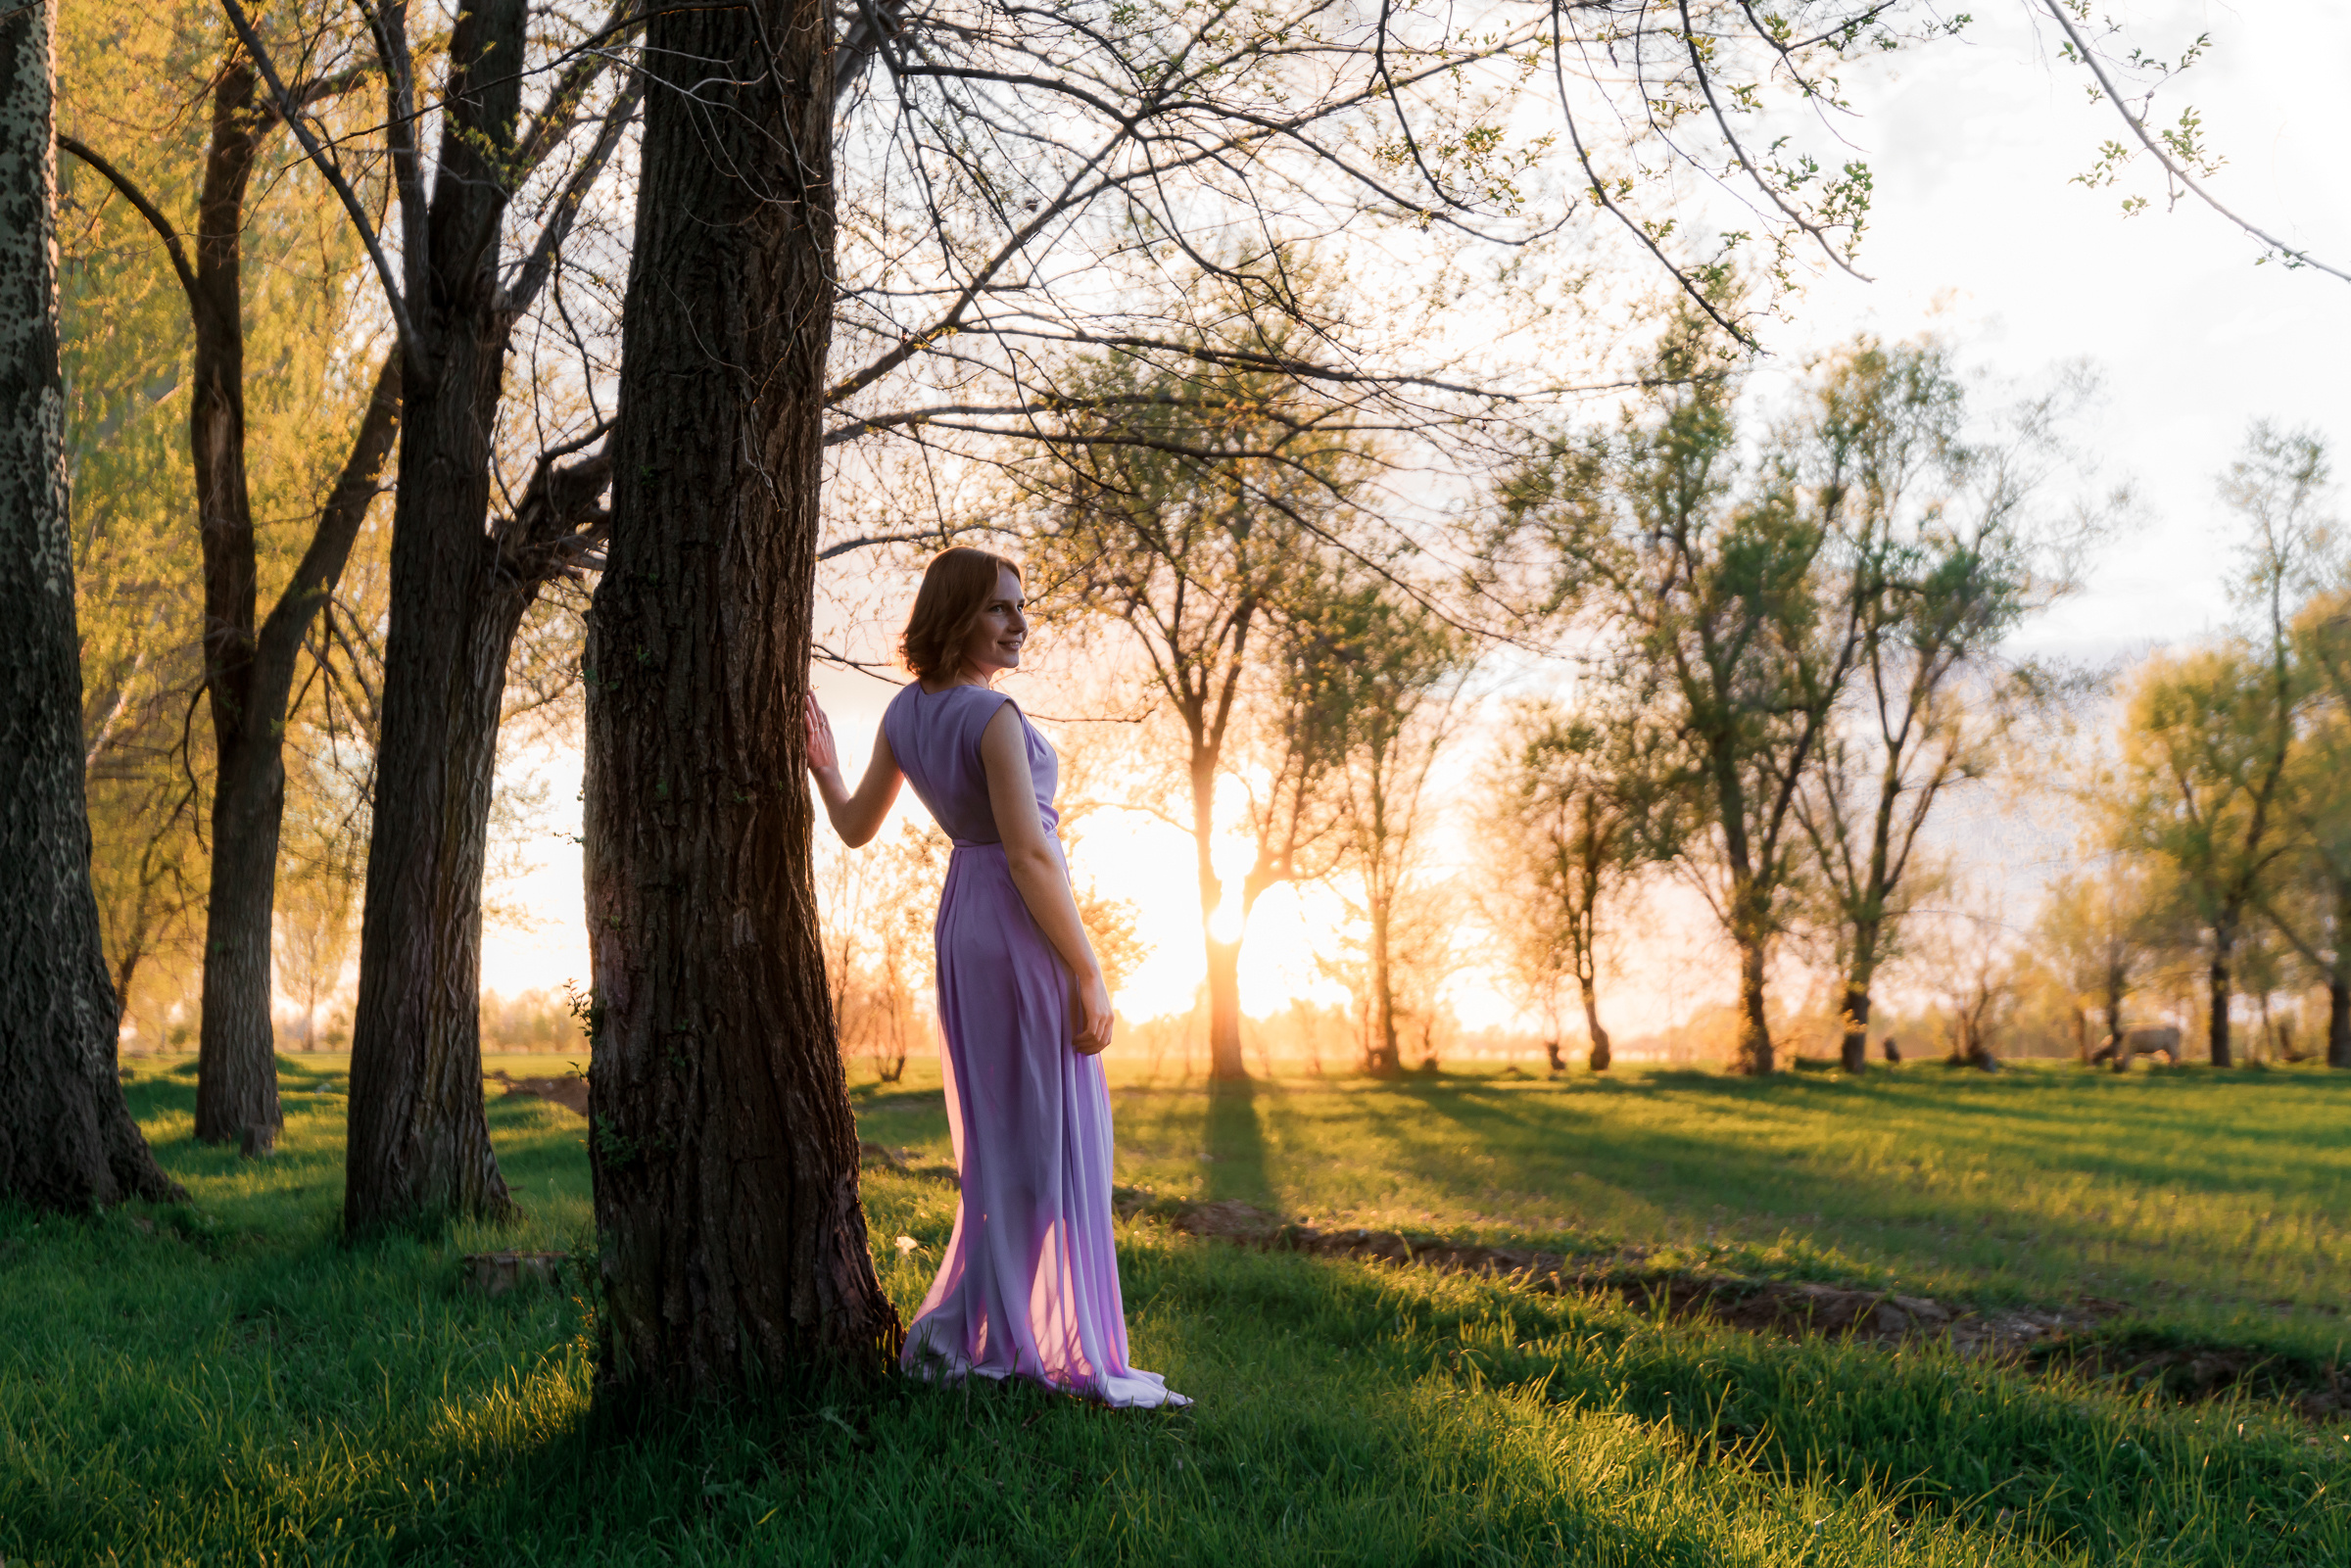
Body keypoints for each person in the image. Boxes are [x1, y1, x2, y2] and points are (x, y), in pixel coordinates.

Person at [805, 546, 1188, 1409]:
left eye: (1021, 607)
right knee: (1045, 1138)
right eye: (1000, 609)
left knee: (1006, 1143)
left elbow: (857, 826)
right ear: (955, 617)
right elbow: (1029, 853)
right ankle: (1007, 1330)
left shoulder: (906, 714)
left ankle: (982, 1323)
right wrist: (1089, 971)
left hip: (962, 921)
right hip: (1017, 922)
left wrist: (825, 768)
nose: (1019, 623)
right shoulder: (994, 716)